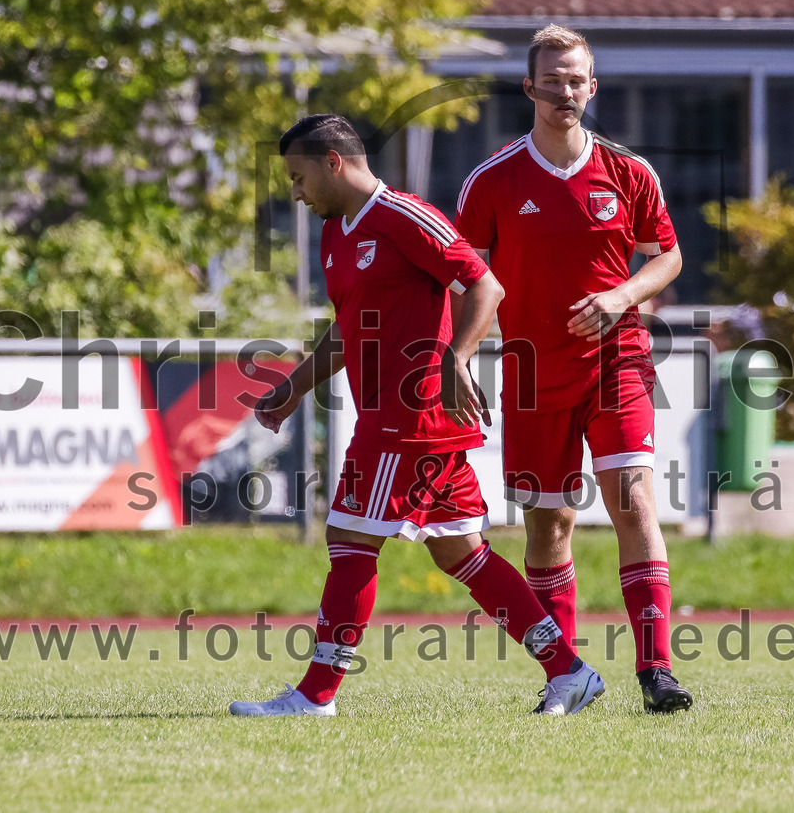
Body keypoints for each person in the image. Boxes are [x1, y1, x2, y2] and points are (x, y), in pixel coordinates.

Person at [229, 114, 604, 718]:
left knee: (351, 538)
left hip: (413, 413)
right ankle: (569, 671)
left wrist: (459, 359)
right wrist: (295, 387)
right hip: (402, 418)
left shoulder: (404, 216)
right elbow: (348, 332)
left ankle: (316, 695)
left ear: (334, 162)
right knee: (461, 553)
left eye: (299, 178)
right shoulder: (336, 232)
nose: (295, 194)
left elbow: (487, 287)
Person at [454, 26, 694, 713]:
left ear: (594, 86)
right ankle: (566, 674)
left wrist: (622, 295)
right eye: (552, 79)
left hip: (617, 359)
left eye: (576, 78)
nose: (566, 90)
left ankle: (657, 670)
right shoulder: (492, 181)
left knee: (633, 498)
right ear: (529, 88)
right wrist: (458, 357)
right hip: (530, 371)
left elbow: (668, 256)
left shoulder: (629, 172)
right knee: (548, 522)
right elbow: (461, 277)